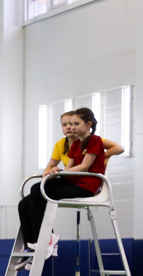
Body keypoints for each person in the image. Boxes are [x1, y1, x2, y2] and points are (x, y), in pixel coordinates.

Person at [19, 107, 122, 256]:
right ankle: (32, 244)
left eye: (76, 124)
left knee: (41, 193)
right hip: (73, 181)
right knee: (31, 194)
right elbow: (69, 168)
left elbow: (84, 166)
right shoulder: (74, 145)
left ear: (88, 124)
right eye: (69, 124)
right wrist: (54, 173)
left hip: (86, 185)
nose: (72, 127)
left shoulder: (95, 140)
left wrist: (60, 172)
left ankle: (48, 240)